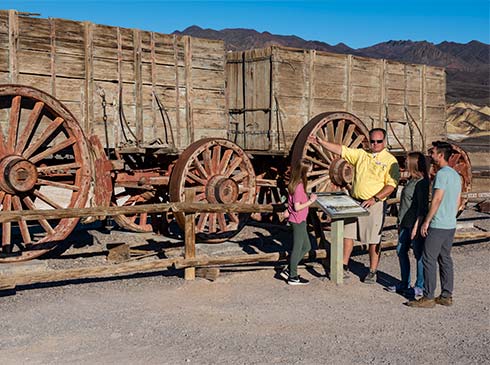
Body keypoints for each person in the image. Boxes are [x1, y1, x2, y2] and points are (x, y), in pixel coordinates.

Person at [314, 128, 400, 283]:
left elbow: (391, 185)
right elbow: (340, 149)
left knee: (374, 239)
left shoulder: (390, 161)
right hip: (355, 200)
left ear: (384, 142)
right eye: (372, 141)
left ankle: (373, 271)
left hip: (374, 203)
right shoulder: (361, 154)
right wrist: (321, 142)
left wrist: (375, 198)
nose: (375, 144)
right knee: (348, 234)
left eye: (378, 141)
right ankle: (344, 265)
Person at [408, 141, 461, 308]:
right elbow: (459, 200)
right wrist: (451, 216)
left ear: (440, 155)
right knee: (445, 258)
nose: (431, 155)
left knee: (428, 258)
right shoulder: (455, 175)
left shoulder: (442, 175)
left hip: (438, 224)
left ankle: (428, 296)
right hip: (450, 223)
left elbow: (437, 199)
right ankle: (446, 295)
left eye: (433, 152)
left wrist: (427, 221)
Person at [388, 152, 429, 297]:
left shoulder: (422, 183)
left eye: (407, 160)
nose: (404, 162)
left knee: (418, 254)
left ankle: (420, 285)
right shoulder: (411, 181)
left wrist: (417, 226)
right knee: (401, 251)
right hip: (405, 223)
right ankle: (404, 282)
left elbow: (422, 207)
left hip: (414, 224)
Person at [280, 159, 317, 285]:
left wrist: (288, 210)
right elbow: (297, 206)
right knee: (297, 248)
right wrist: (311, 201)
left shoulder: (295, 183)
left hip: (300, 219)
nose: (311, 173)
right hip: (298, 220)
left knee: (307, 246)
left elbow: (291, 203)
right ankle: (293, 276)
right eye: (310, 171)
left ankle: (289, 270)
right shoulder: (299, 186)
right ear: (304, 171)